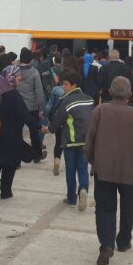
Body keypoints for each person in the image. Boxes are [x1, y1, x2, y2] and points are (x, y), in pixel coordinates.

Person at [86, 76, 133, 265]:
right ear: (130, 94)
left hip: (103, 168)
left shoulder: (99, 110)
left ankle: (106, 245)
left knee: (104, 207)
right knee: (128, 206)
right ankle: (123, 241)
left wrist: (93, 160)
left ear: (110, 92)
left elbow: (90, 140)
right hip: (128, 169)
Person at [0, 65, 38, 201]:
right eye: (17, 75)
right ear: (10, 77)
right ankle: (6, 191)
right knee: (10, 164)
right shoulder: (13, 94)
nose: (20, 78)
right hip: (12, 135)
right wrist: (39, 126)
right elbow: (24, 115)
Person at [50, 70, 94, 211]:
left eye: (66, 84)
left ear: (74, 85)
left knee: (70, 169)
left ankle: (71, 198)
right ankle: (83, 189)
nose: (63, 87)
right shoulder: (89, 99)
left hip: (70, 140)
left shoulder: (66, 101)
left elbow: (58, 120)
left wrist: (49, 129)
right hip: (86, 140)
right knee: (83, 168)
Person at [16, 47, 46, 162]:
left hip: (18, 106)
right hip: (32, 106)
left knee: (17, 132)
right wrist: (41, 108)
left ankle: (17, 159)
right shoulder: (34, 72)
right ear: (31, 60)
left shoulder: (14, 71)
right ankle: (37, 155)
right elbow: (39, 91)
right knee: (34, 132)